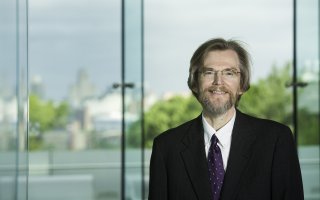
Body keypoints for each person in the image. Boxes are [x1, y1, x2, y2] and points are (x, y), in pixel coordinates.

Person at [148, 38, 304, 200]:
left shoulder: (276, 140)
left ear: (242, 85)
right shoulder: (166, 147)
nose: (218, 82)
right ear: (195, 83)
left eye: (229, 73)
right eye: (209, 72)